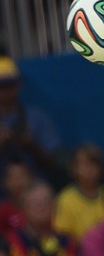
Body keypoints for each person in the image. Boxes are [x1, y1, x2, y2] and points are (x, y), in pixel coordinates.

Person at [0, 56, 64, 190]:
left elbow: (56, 164)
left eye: (9, 85)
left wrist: (31, 145)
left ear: (18, 85)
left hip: (36, 195)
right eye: (1, 86)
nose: (5, 91)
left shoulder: (36, 117)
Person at [5, 181, 77, 256]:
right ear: (24, 208)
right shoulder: (13, 240)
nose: (41, 207)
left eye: (46, 202)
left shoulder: (67, 240)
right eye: (35, 203)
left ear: (54, 206)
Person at [54, 143, 104, 241]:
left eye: (94, 164)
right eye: (85, 164)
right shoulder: (66, 199)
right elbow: (63, 235)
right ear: (75, 168)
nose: (90, 169)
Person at [0, 159, 33, 237]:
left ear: (31, 178)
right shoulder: (2, 211)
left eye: (22, 175)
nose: (18, 180)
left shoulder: (42, 206)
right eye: (13, 177)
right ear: (5, 182)